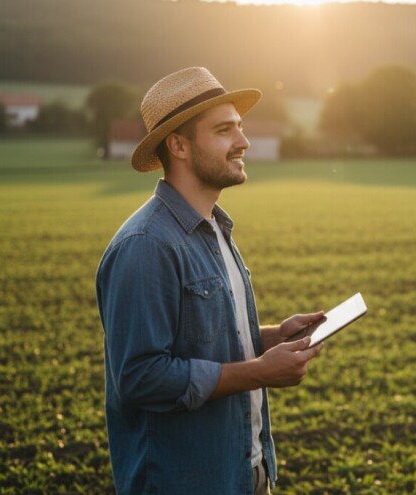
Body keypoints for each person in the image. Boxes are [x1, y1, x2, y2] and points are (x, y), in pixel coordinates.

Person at [96, 67, 325, 495]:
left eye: (239, 128)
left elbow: (202, 340)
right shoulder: (147, 246)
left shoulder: (214, 228)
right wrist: (258, 372)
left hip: (245, 473)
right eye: (224, 131)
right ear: (179, 145)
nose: (244, 142)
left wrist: (272, 338)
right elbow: (142, 376)